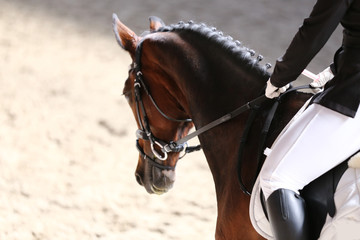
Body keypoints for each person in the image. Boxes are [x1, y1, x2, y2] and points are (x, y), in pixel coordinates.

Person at [260, 0, 360, 239]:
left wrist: (280, 77)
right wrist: (335, 69)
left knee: (276, 178)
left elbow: (314, 30)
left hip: (353, 96)